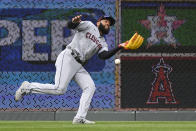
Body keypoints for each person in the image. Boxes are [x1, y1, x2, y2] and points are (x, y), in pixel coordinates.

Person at [15, 15, 123, 124]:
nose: (107, 24)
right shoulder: (89, 26)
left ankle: (79, 118)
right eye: (105, 21)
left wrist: (120, 46)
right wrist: (74, 22)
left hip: (78, 65)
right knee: (59, 89)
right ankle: (27, 87)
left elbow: (103, 55)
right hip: (69, 57)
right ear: (98, 22)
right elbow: (71, 25)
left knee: (90, 87)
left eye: (109, 24)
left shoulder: (103, 42)